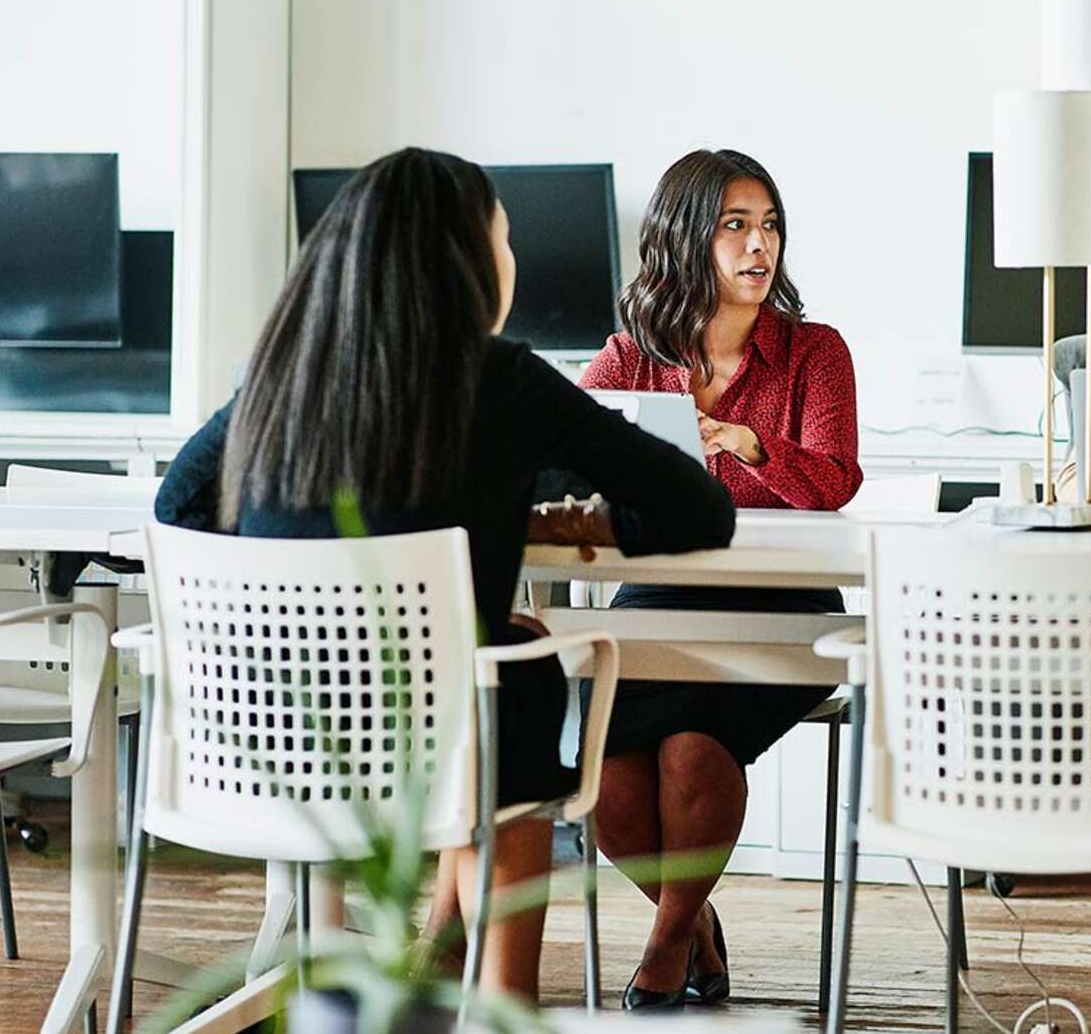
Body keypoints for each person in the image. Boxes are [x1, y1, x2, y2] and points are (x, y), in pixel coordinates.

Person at [153, 147, 735, 1002]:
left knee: (497, 665)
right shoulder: (504, 379)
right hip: (441, 751)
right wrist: (584, 521)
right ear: (465, 263)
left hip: (269, 748)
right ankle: (504, 1000)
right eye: (502, 240)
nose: (511, 260)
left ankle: (420, 964)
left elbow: (179, 509)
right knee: (518, 664)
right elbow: (697, 509)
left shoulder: (279, 378)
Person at [580, 147, 862, 1010]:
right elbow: (565, 457)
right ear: (685, 239)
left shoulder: (814, 351)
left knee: (695, 751)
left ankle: (667, 943)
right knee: (602, 771)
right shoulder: (632, 358)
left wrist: (748, 443)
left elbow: (835, 482)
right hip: (659, 603)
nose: (758, 246)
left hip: (784, 604)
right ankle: (695, 922)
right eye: (735, 225)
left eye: (769, 224)